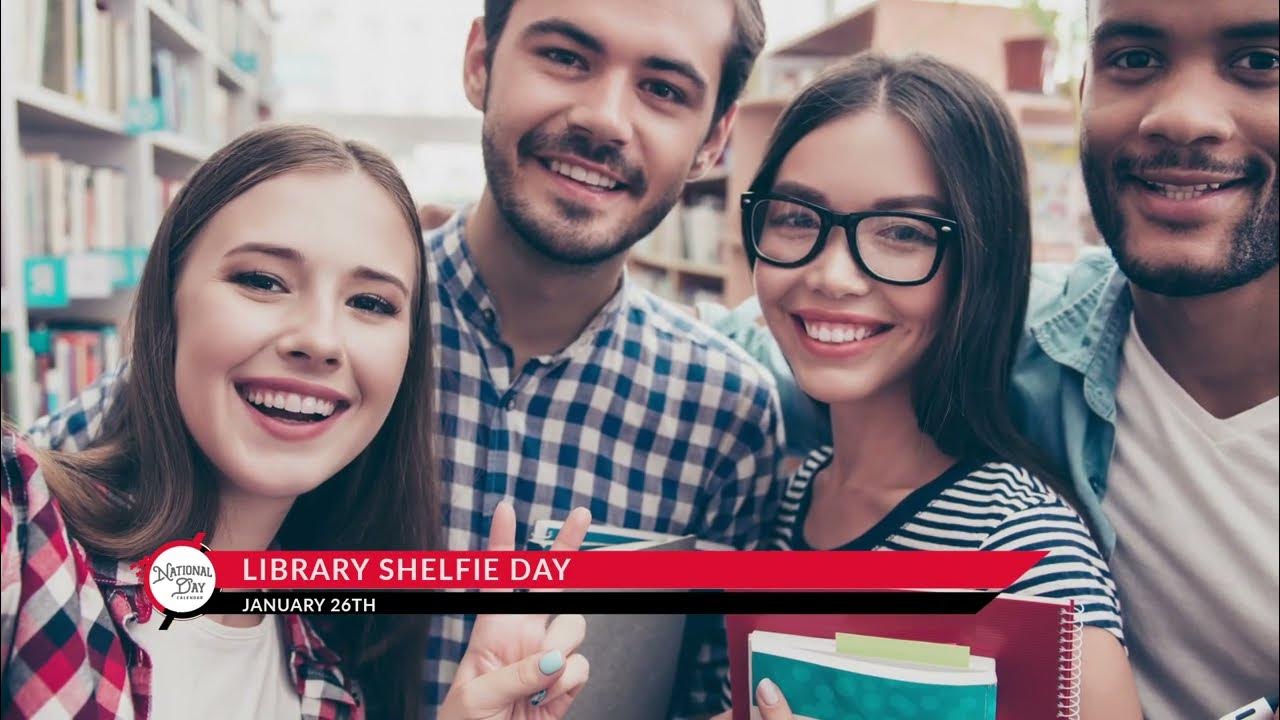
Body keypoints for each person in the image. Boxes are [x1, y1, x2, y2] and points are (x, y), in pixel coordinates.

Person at [28, 1, 781, 716]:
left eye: (662, 88)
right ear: (481, 63)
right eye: (564, 55)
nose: (603, 118)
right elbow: (65, 494)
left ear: (716, 139)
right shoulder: (322, 326)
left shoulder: (728, 414)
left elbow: (706, 694)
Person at [709, 1, 1278, 716]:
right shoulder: (791, 488)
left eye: (904, 232)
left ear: (981, 263)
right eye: (796, 219)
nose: (832, 275)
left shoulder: (1024, 554)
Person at [2, 125, 593, 719]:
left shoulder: (330, 689)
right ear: (169, 302)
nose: (319, 340)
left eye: (370, 303)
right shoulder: (19, 525)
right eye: (261, 281)